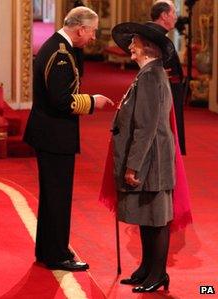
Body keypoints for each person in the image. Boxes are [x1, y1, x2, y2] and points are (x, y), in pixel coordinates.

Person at [23, 6, 113, 272]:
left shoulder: (60, 46)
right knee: (58, 196)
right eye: (93, 31)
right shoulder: (60, 52)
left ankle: (48, 249)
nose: (94, 37)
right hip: (54, 135)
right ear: (80, 29)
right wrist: (92, 102)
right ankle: (57, 255)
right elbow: (61, 100)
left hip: (51, 133)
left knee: (53, 196)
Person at [110, 22, 176, 293]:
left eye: (134, 42)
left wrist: (133, 165)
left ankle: (158, 273)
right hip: (151, 157)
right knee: (147, 216)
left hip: (152, 159)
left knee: (156, 217)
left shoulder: (150, 76)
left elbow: (146, 125)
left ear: (148, 48)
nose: (130, 46)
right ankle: (147, 268)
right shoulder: (148, 73)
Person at [148, 0, 186, 155]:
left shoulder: (157, 35)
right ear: (164, 15)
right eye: (173, 13)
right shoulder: (155, 37)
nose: (176, 17)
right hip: (163, 97)